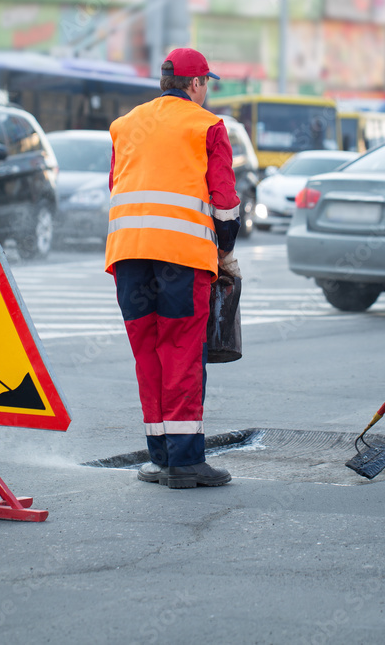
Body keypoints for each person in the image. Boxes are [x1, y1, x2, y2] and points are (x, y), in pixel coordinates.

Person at [105, 48, 240, 489]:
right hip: (182, 260)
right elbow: (224, 204)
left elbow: (119, 188)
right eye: (207, 84)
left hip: (128, 257)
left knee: (148, 354)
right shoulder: (207, 126)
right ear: (197, 84)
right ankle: (185, 462)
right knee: (182, 351)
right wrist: (225, 254)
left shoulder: (125, 126)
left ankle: (160, 459)